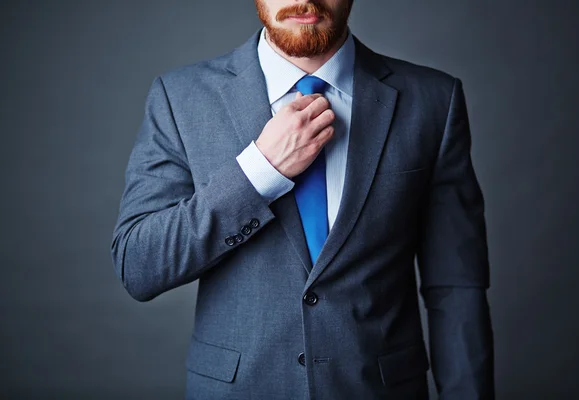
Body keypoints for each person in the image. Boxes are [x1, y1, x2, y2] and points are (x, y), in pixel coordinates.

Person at [111, 0, 494, 398]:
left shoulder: (433, 99)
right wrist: (261, 170)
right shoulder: (180, 98)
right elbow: (138, 266)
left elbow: (455, 284)